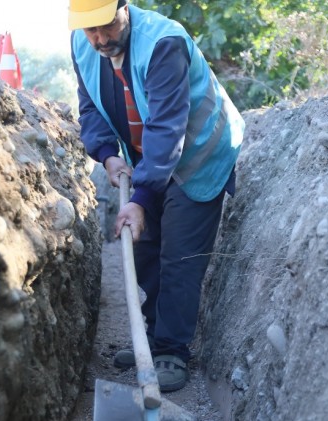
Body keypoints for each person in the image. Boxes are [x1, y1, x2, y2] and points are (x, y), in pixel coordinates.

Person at [68, 0, 244, 392]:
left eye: (107, 26)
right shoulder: (82, 45)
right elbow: (90, 107)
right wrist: (108, 155)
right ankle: (151, 335)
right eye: (90, 30)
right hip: (151, 158)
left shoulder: (163, 43)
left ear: (124, 8)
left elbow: (167, 127)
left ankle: (172, 350)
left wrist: (142, 197)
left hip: (199, 155)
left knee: (179, 255)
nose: (101, 39)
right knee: (146, 247)